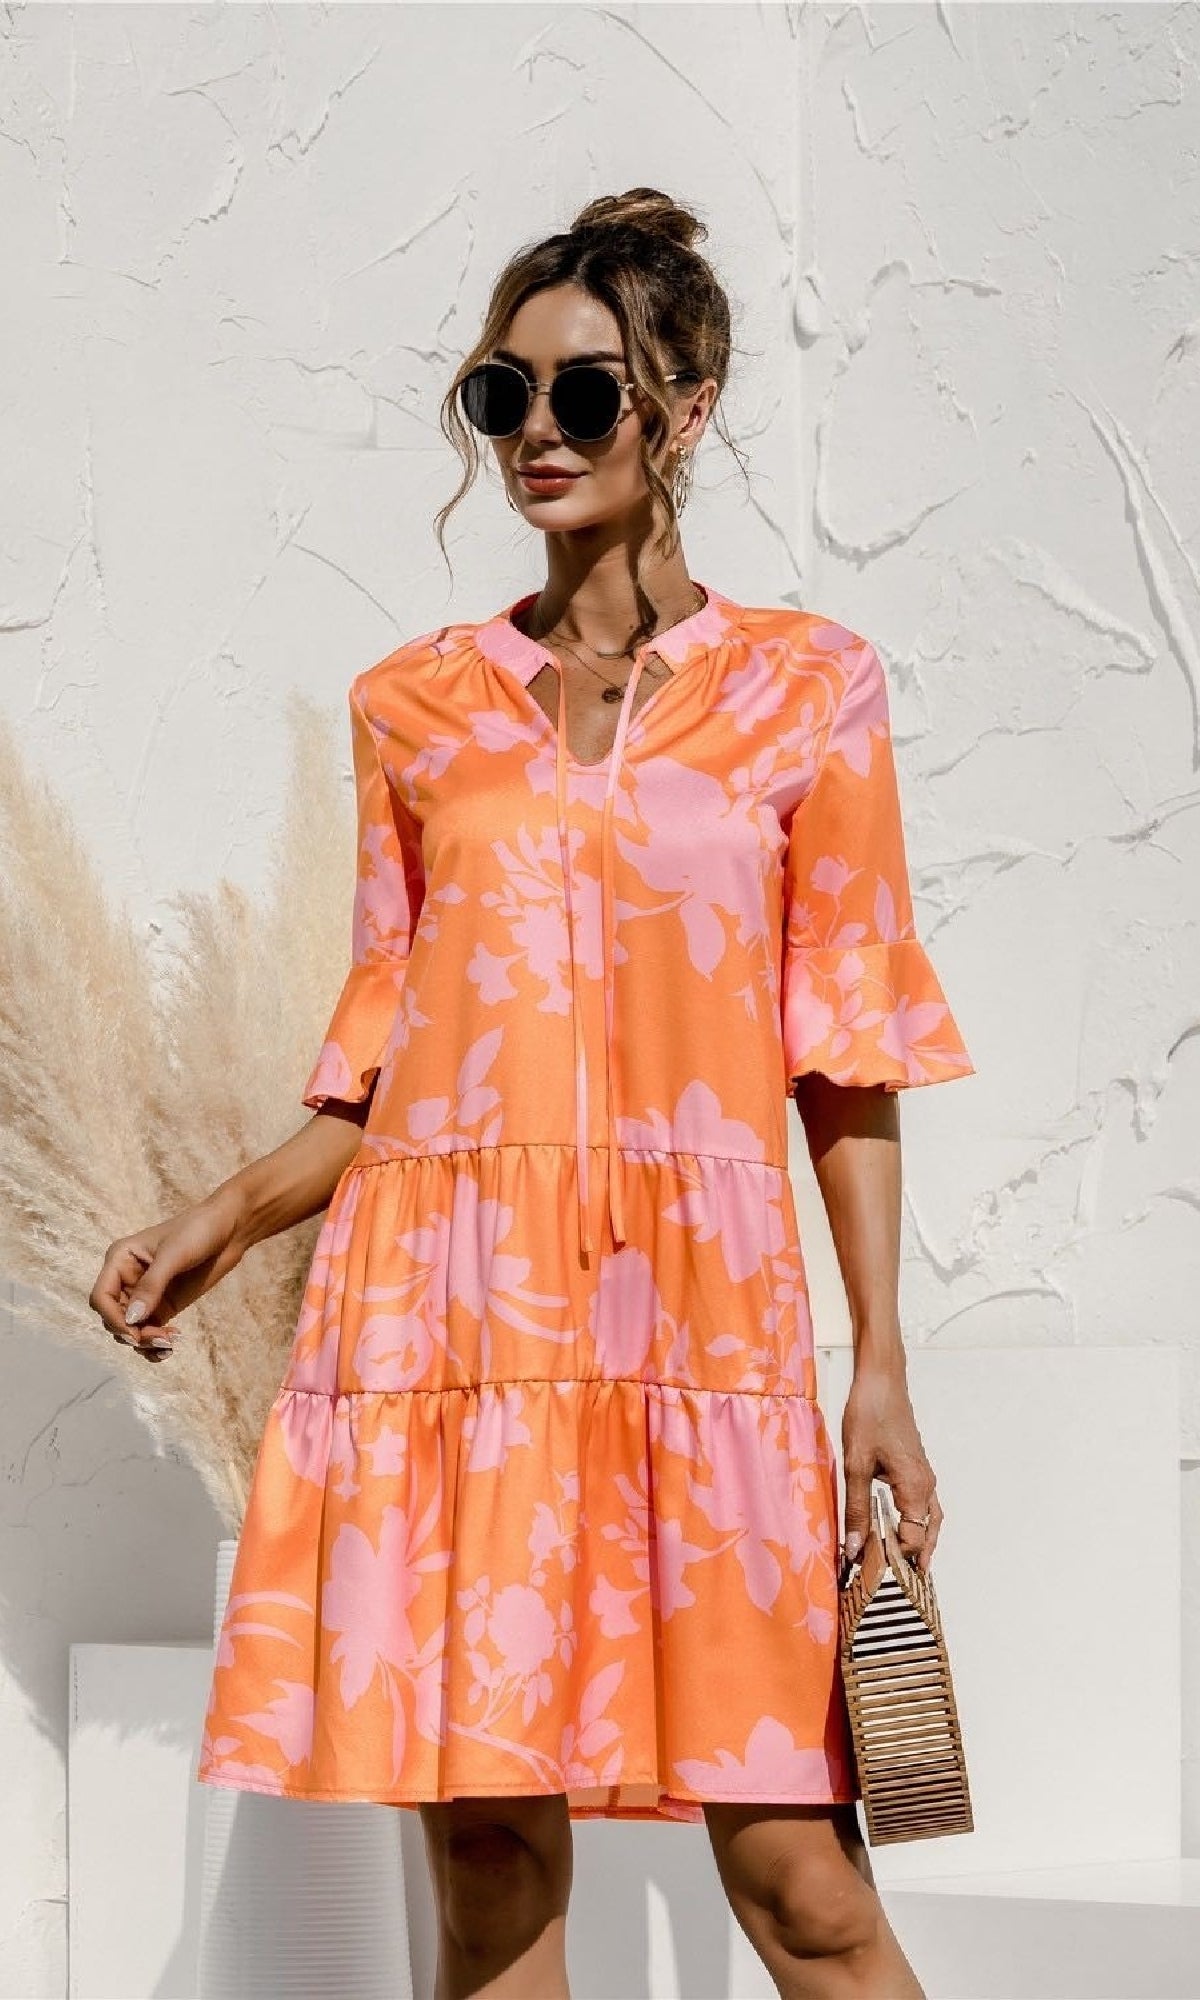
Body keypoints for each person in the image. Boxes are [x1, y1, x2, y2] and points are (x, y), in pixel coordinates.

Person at [89, 187, 973, 2000]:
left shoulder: (810, 692)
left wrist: (877, 1363)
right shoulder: (413, 707)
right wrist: (216, 1220)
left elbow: (848, 1049)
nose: (537, 437)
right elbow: (386, 1069)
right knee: (490, 1871)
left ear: (690, 402)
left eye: (584, 395)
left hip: (698, 1318)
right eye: (503, 398)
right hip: (447, 1327)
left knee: (803, 1878)